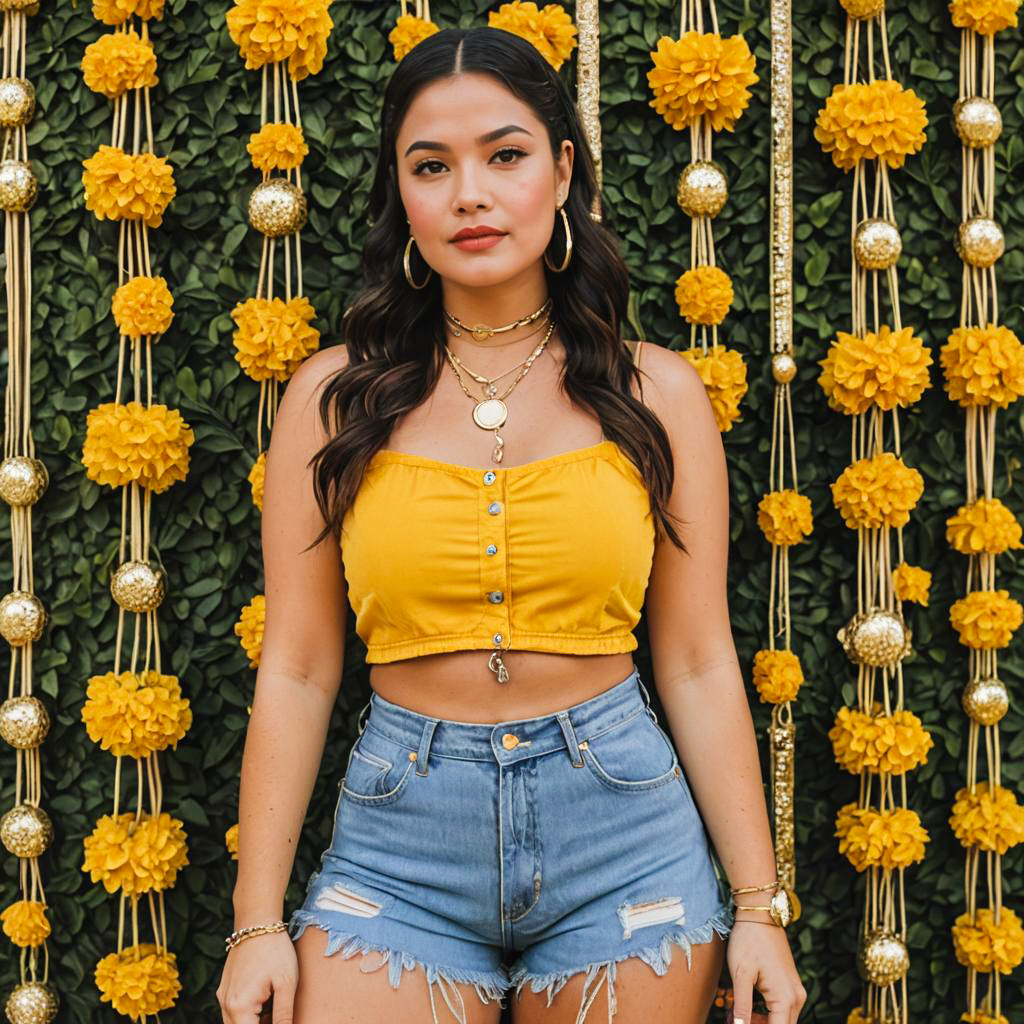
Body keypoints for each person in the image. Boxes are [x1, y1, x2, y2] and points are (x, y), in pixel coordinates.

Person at [216, 24, 806, 1024]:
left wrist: (759, 907)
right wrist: (256, 921)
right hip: (399, 851)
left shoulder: (653, 391)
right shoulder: (334, 397)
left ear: (561, 167)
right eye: (431, 166)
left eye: (505, 155)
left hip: (624, 838)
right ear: (401, 193)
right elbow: (301, 665)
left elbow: (701, 659)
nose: (470, 195)